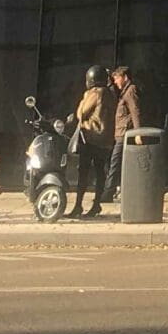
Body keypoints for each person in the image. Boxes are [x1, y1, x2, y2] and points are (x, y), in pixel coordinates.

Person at [67, 64, 110, 218]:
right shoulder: (110, 94)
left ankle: (78, 205)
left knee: (83, 172)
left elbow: (81, 113)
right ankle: (96, 204)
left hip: (90, 138)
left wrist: (85, 97)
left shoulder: (95, 92)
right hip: (105, 139)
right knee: (100, 172)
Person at [102, 64, 142, 207]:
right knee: (116, 163)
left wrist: (138, 133)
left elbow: (135, 111)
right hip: (120, 133)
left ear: (125, 77)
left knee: (115, 163)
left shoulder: (130, 91)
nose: (116, 82)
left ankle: (108, 193)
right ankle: (114, 191)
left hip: (124, 133)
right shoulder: (123, 92)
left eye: (117, 78)